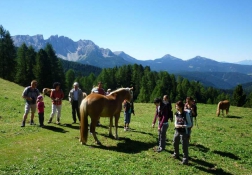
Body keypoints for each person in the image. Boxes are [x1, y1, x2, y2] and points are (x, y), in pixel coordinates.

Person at [172, 100, 192, 165]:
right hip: (177, 131)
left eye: (177, 106)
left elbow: (190, 124)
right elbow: (175, 122)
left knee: (184, 146)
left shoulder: (186, 114)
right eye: (176, 106)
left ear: (181, 107)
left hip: (184, 132)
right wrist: (176, 125)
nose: (176, 108)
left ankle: (185, 160)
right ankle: (176, 154)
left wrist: (183, 126)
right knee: (175, 142)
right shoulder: (176, 113)